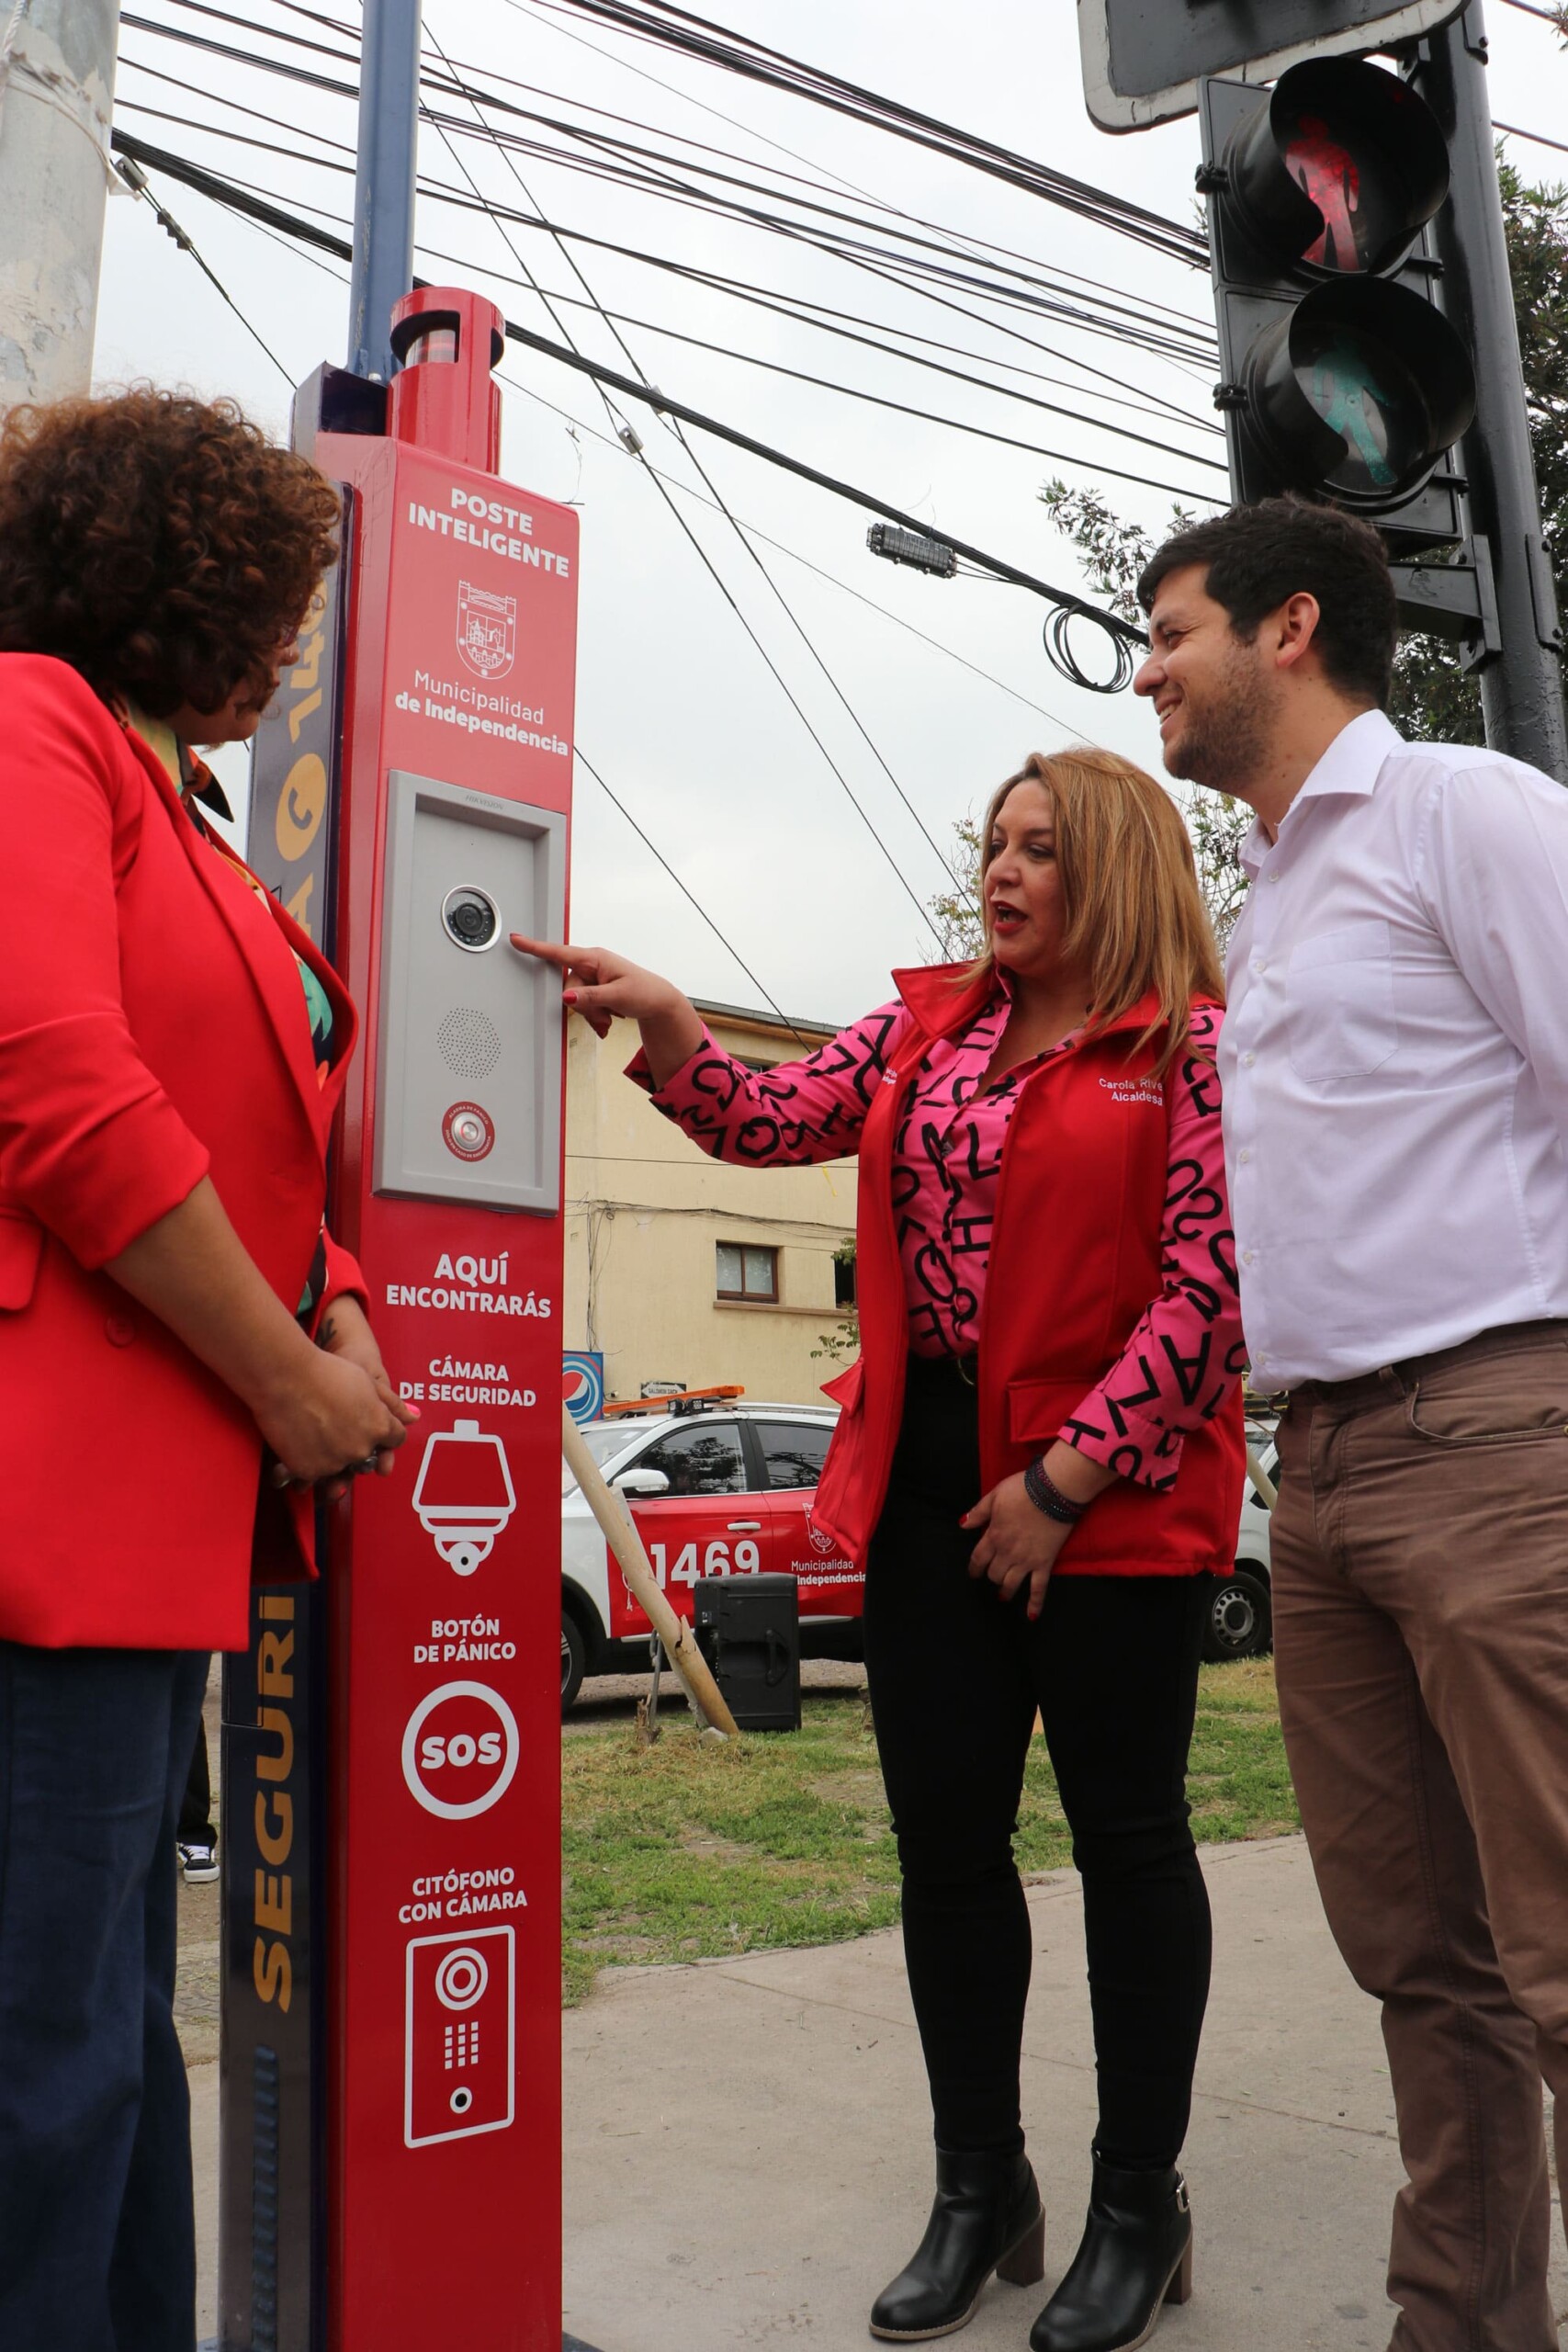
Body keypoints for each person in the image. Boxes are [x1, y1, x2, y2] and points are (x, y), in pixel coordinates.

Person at [515, 747, 1246, 2352]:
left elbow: (1217, 1283)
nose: (1002, 871)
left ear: (1111, 869)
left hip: (1108, 1502)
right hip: (922, 1491)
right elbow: (769, 1121)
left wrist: (1063, 1480)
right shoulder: (928, 1027)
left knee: (1128, 1844)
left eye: (1040, 849)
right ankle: (981, 2188)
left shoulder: (1193, 1044)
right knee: (946, 1853)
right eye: (992, 842)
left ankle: (1141, 2203)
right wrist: (671, 1017)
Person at [0, 389, 414, 2351]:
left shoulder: (175, 808)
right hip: (43, 1522)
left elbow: (240, 1130)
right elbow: (57, 1087)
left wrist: (336, 1291)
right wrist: (284, 1379)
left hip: (136, 1539)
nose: (294, 642)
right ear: (195, 579)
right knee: (40, 2081)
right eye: (281, 600)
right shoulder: (29, 723)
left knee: (103, 2058)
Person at [1134, 492, 1568, 2352]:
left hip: (1495, 1439)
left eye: (1166, 632)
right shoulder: (1275, 889)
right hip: (1314, 1477)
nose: (1143, 669)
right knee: (1421, 1966)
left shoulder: (1461, 812)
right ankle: (1456, 2327)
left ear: (1285, 626)